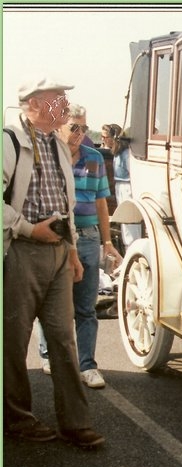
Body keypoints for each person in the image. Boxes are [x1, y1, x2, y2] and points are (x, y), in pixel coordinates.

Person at [3, 77, 104, 447]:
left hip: (59, 252)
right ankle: (17, 419)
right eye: (57, 98)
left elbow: (67, 204)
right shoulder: (8, 140)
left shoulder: (56, 144)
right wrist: (29, 230)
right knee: (13, 341)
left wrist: (73, 251)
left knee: (63, 339)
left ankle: (75, 423)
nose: (64, 104)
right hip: (22, 251)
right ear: (32, 103)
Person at [38, 104, 122, 389]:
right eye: (74, 127)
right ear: (61, 124)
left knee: (86, 307)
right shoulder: (46, 156)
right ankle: (48, 355)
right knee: (50, 301)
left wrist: (107, 241)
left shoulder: (95, 158)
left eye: (84, 128)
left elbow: (101, 202)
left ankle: (87, 366)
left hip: (87, 237)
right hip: (55, 236)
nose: (79, 133)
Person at [102, 123, 140, 250]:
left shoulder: (125, 154)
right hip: (121, 187)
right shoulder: (117, 153)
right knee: (125, 222)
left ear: (113, 137)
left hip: (127, 188)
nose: (103, 140)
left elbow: (133, 174)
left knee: (129, 221)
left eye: (105, 137)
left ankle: (132, 247)